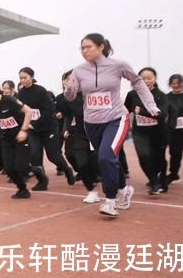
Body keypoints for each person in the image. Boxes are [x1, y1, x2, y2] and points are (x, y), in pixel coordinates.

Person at [65, 33, 159, 217]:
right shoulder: (78, 70)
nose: (84, 51)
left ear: (101, 47)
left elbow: (137, 82)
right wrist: (69, 88)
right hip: (92, 123)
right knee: (107, 160)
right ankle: (124, 189)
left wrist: (150, 104)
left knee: (105, 157)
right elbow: (70, 97)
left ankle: (110, 201)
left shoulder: (118, 65)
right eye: (81, 48)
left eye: (88, 47)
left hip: (116, 119)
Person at [0, 77, 48, 199]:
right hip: (6, 138)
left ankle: (39, 173)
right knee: (9, 168)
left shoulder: (9, 100)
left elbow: (28, 112)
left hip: (20, 136)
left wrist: (23, 130)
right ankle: (22, 190)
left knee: (21, 166)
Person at [17, 67, 76, 186]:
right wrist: (26, 124)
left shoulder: (40, 91)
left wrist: (36, 123)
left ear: (32, 77)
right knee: (34, 155)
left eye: (25, 77)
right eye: (20, 78)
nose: (22, 80)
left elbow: (49, 110)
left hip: (48, 127)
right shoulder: (21, 93)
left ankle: (67, 170)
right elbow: (21, 110)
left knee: (53, 156)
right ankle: (42, 181)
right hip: (33, 130)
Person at [124, 67, 169, 194]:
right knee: (144, 156)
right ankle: (154, 182)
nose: (146, 81)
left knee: (159, 159)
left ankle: (163, 180)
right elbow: (125, 111)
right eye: (143, 78)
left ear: (155, 79)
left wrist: (142, 112)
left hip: (158, 132)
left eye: (149, 78)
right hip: (140, 132)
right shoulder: (132, 95)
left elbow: (162, 115)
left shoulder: (161, 96)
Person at [61, 70, 100, 203]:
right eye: (67, 80)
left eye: (72, 79)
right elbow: (68, 115)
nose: (69, 82)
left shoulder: (92, 92)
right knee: (81, 163)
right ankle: (92, 191)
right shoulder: (68, 97)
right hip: (79, 133)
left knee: (101, 161)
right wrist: (66, 128)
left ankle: (119, 188)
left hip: (96, 131)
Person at [166, 74, 183, 183]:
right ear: (170, 84)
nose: (176, 85)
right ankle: (173, 174)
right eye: (173, 83)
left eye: (178, 83)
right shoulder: (166, 97)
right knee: (175, 155)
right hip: (174, 132)